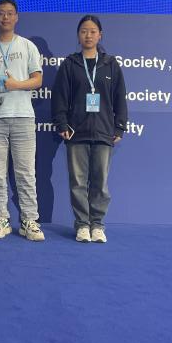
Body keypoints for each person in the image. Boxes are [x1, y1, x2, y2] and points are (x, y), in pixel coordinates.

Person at [0, 0, 44, 241]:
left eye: (10, 13)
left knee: (26, 173)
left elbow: (38, 80)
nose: (5, 17)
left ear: (17, 17)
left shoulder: (27, 46)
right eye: (1, 13)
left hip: (23, 116)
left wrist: (16, 85)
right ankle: (1, 218)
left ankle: (29, 220)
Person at [51, 15, 127, 243]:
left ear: (100, 35)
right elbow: (59, 98)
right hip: (76, 132)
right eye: (84, 31)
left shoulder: (111, 64)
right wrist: (62, 124)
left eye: (93, 31)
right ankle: (82, 225)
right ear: (78, 35)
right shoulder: (70, 64)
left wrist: (119, 127)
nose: (88, 35)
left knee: (100, 182)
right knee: (78, 182)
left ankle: (98, 225)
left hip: (104, 132)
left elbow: (120, 98)